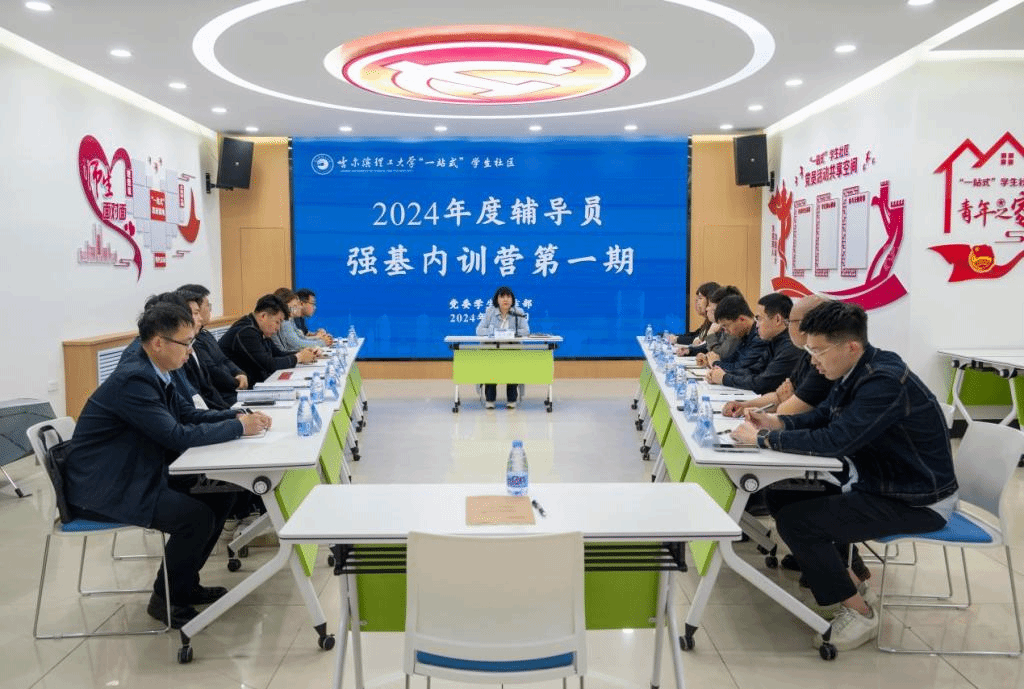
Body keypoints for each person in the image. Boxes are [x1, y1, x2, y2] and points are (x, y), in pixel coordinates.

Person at [730, 301, 958, 651]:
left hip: (916, 499)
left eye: (818, 351)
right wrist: (775, 422)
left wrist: (763, 439)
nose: (813, 361)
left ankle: (860, 612)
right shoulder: (857, 369)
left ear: (851, 346)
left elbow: (835, 440)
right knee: (782, 494)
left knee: (798, 522)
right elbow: (825, 415)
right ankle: (850, 582)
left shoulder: (883, 381)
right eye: (810, 351)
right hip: (881, 483)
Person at [63, 303, 271, 629]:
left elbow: (186, 415)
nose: (191, 350)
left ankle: (185, 583)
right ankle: (166, 599)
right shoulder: (135, 379)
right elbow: (174, 435)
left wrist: (235, 416)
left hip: (137, 470)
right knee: (195, 517)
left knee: (223, 493)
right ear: (158, 342)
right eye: (185, 343)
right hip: (106, 486)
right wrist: (238, 428)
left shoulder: (158, 370)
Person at [721, 294, 833, 417]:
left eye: (789, 322)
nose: (787, 326)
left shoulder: (797, 351)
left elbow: (785, 404)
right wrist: (744, 405)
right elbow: (778, 396)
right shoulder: (803, 353)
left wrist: (782, 402)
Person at [706, 292, 800, 394]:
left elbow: (762, 383)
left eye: (759, 319)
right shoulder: (774, 341)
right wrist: (721, 374)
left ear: (777, 320)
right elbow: (752, 370)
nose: (757, 325)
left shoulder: (789, 347)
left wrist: (724, 377)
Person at [219, 294, 318, 385]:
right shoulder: (246, 332)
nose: (278, 328)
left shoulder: (259, 329)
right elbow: (269, 365)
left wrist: (304, 353)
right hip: (238, 391)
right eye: (277, 322)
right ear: (263, 316)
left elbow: (278, 354)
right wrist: (298, 358)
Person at [178, 283, 250, 406]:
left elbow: (225, 359)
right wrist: (236, 383)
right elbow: (213, 374)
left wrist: (240, 373)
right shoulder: (193, 343)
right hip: (225, 395)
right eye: (207, 305)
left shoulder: (206, 335)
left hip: (226, 397)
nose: (210, 310)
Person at [475, 286, 530, 409]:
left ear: (512, 299)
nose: (505, 299)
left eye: (508, 297)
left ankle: (512, 400)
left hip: (512, 352)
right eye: (502, 296)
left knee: (512, 370)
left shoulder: (518, 312)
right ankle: (490, 400)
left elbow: (526, 331)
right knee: (491, 370)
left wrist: (511, 333)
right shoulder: (490, 312)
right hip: (492, 352)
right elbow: (479, 330)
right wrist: (495, 332)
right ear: (497, 299)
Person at [698, 294, 767, 374]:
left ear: (742, 319)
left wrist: (715, 363)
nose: (726, 331)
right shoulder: (744, 335)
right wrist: (709, 360)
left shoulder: (759, 338)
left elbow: (740, 368)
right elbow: (732, 361)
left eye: (726, 326)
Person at [689, 285, 742, 361]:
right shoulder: (720, 326)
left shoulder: (733, 330)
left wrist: (711, 334)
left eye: (709, 305)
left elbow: (721, 356)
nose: (707, 309)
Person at [271, 288, 326, 352]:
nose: (300, 307)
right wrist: (322, 342)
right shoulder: (285, 321)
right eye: (294, 306)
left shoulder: (291, 320)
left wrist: (317, 338)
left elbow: (301, 337)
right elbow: (296, 343)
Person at [674, 281, 720, 346]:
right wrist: (676, 337)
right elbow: (695, 335)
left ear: (710, 300)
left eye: (700, 298)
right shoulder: (707, 322)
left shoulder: (716, 323)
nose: (696, 301)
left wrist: (676, 339)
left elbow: (703, 343)